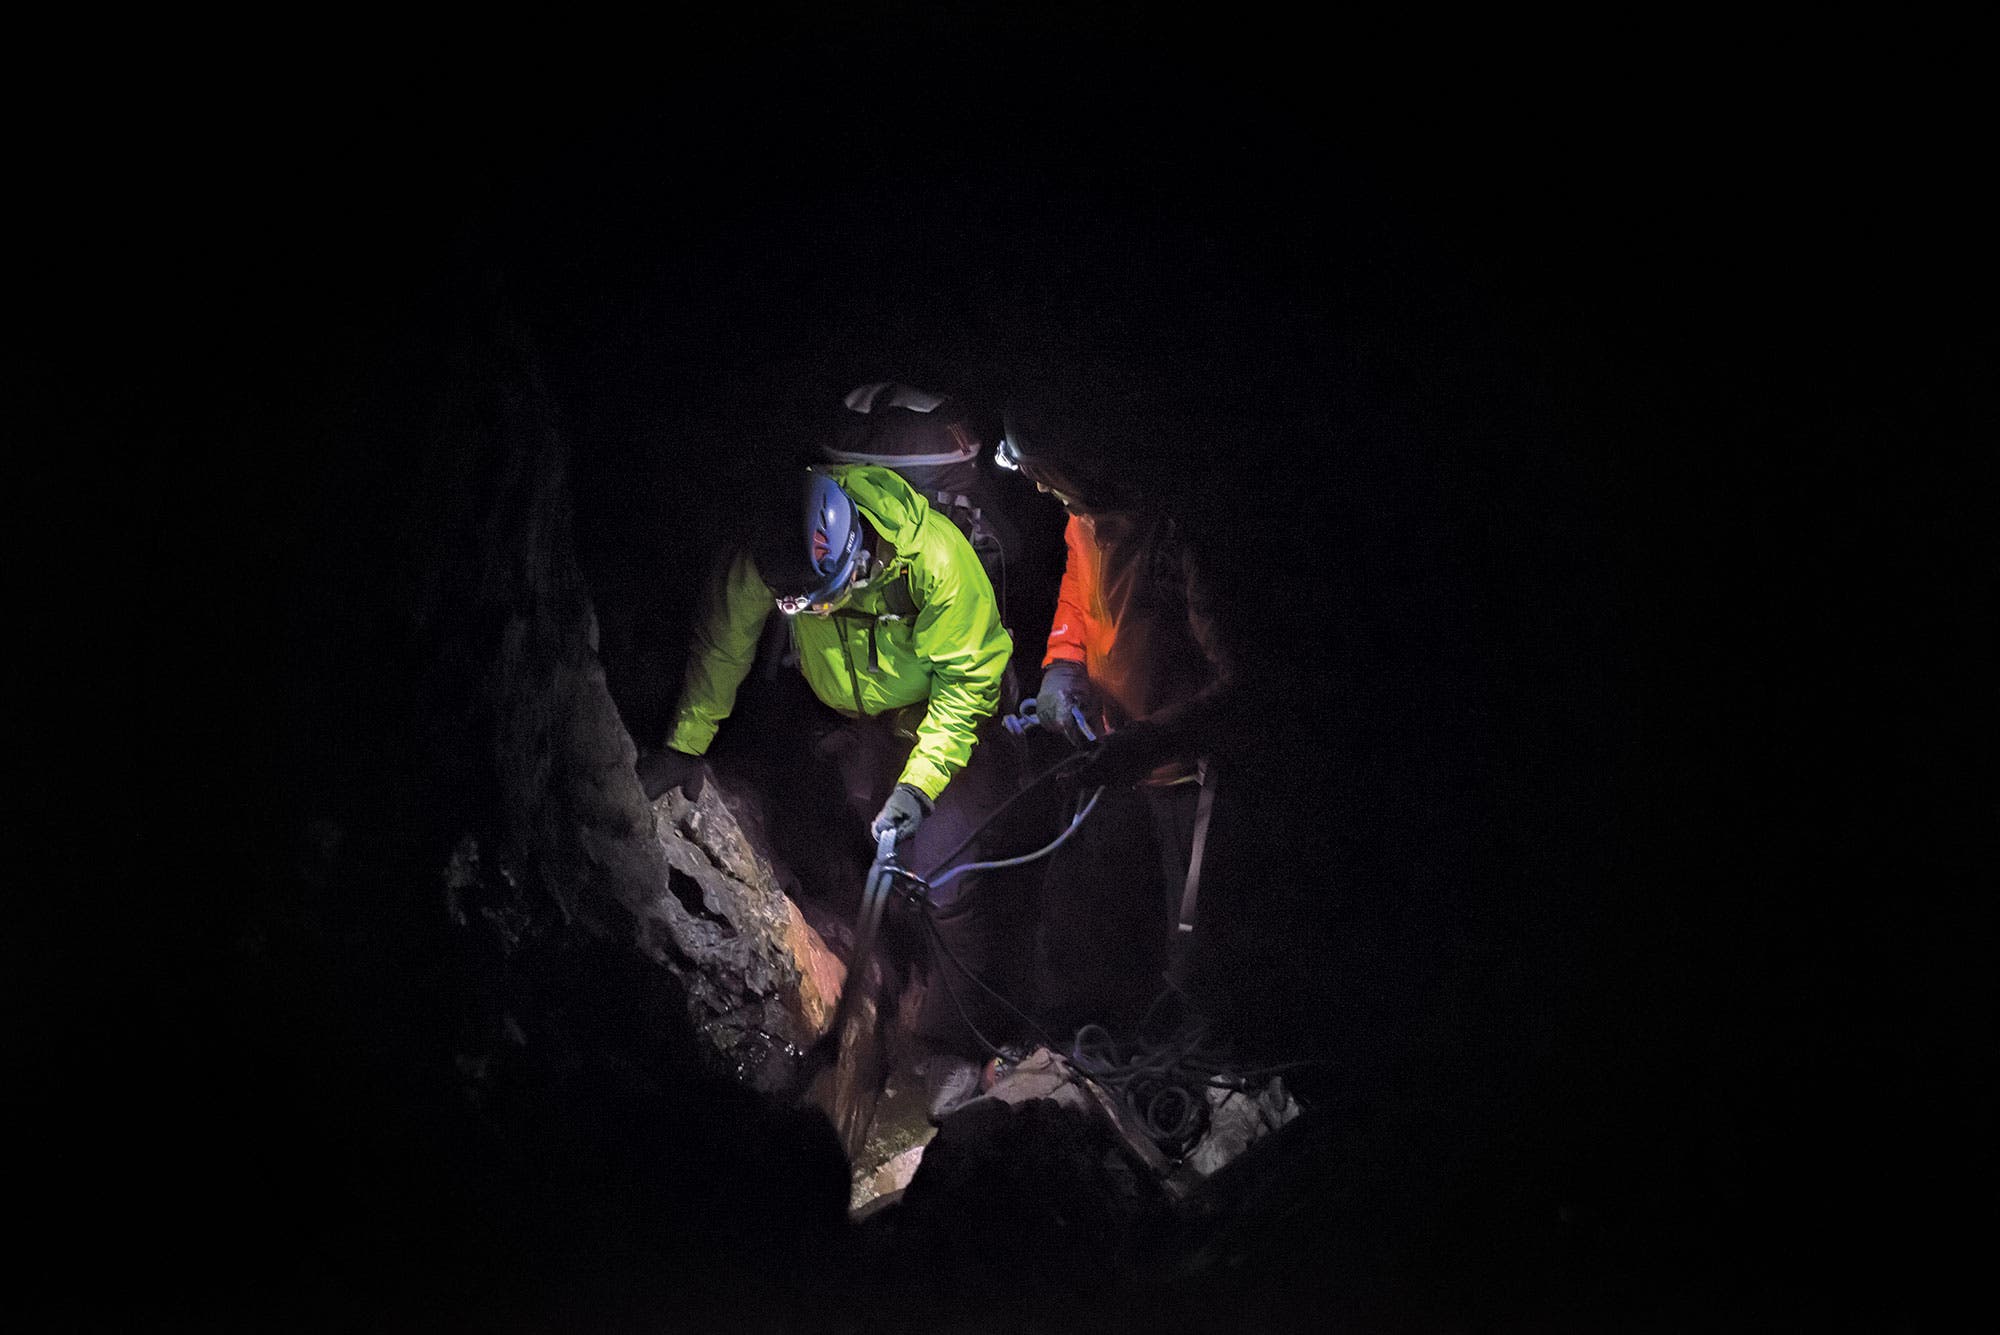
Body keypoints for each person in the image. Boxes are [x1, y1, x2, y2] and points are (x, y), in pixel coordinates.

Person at [638, 462, 1031, 1120]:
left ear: (856, 555)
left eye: (818, 597)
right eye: (794, 602)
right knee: (871, 824)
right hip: (863, 713)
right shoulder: (767, 552)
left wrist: (919, 787)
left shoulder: (933, 561)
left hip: (953, 713)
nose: (806, 611)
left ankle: (948, 1035)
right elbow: (725, 644)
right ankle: (899, 949)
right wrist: (685, 743)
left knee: (940, 866)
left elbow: (966, 689)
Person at [996, 393, 1254, 1041]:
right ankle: (1066, 1046)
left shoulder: (1175, 534)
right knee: (1077, 915)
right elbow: (1080, 595)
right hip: (1112, 756)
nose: (1034, 484)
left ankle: (1194, 1079)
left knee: (1193, 948)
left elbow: (1244, 684)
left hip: (1186, 779)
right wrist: (1061, 664)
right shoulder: (1083, 513)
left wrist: (1148, 743)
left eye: (1042, 471)